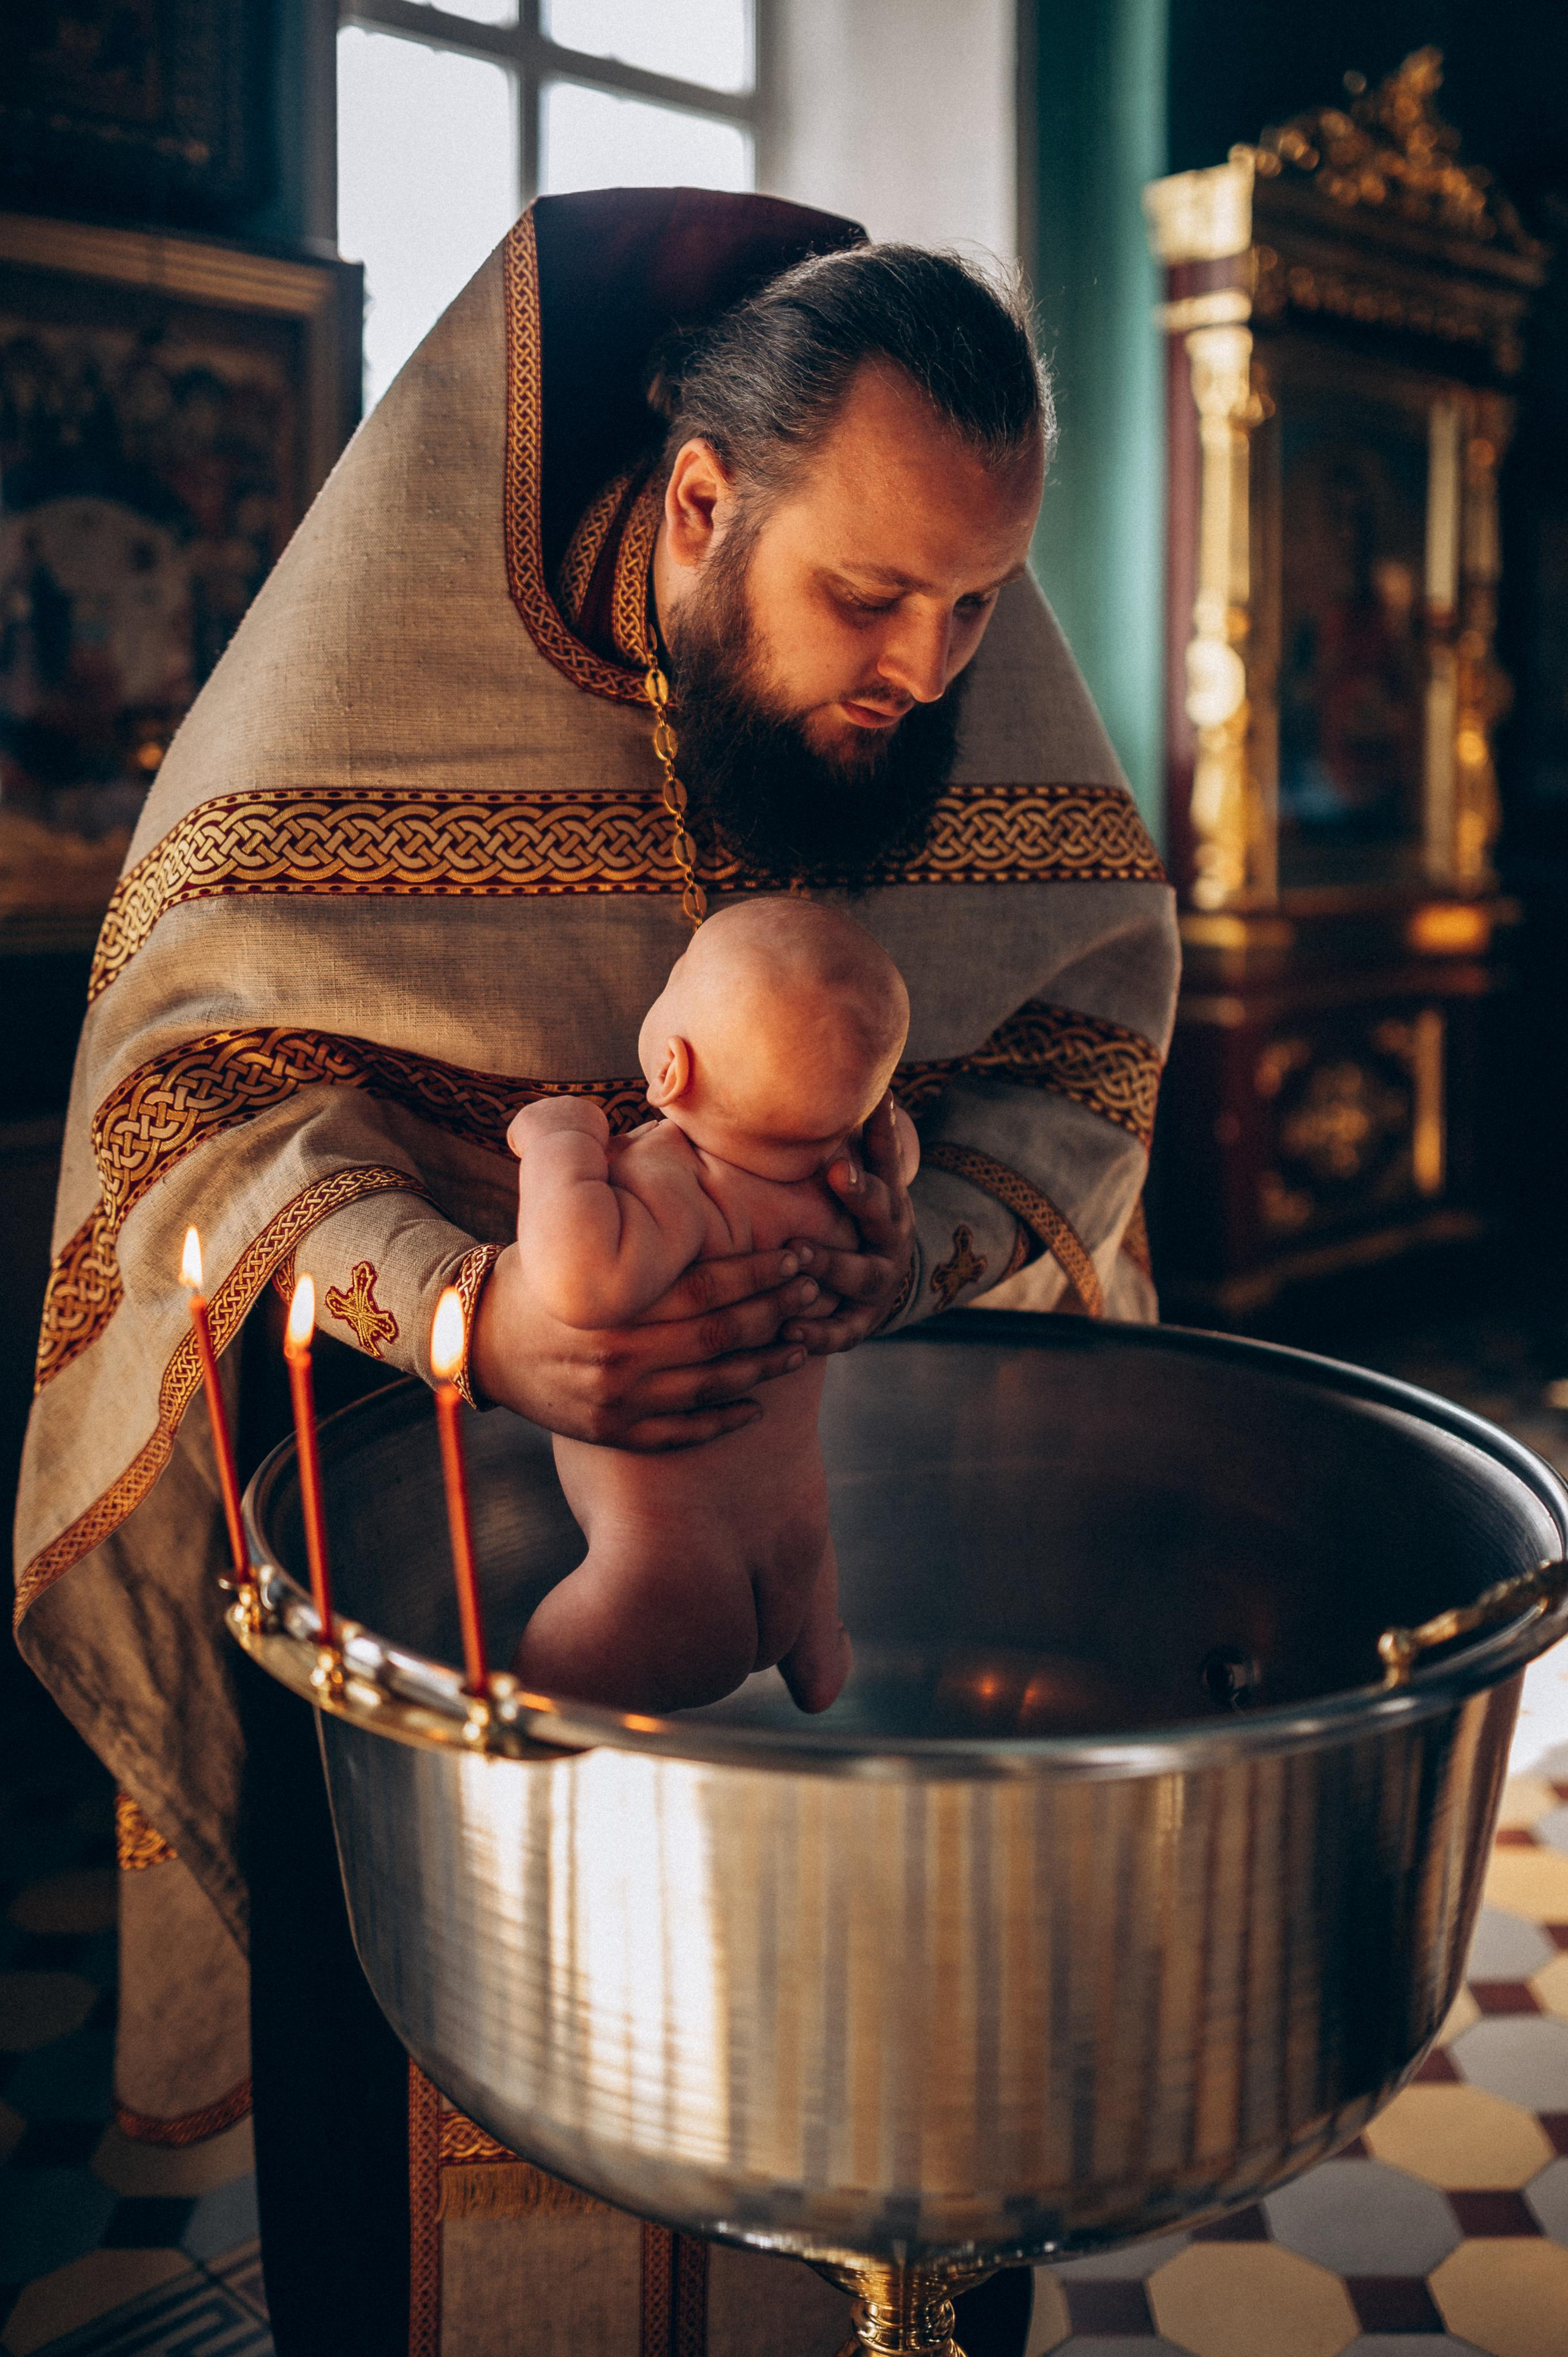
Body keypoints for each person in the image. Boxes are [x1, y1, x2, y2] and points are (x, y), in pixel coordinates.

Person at [15, 189, 1178, 2356]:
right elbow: (187, 1114)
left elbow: (1087, 1030)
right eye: (871, 595)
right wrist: (476, 1313)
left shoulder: (947, 667)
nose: (934, 668)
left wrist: (889, 1247)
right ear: (707, 498)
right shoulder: (374, 682)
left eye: (978, 600)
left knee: (882, 2140)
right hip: (431, 1551)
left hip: (865, 1521)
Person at [512, 895, 918, 1715]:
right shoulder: (846, 1184)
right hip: (797, 1544)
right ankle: (816, 1658)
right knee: (796, 1509)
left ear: (672, 1068)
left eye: (675, 976)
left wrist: (559, 1143)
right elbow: (901, 1152)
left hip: (665, 1580)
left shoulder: (675, 1186)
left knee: (537, 1692)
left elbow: (579, 1281)